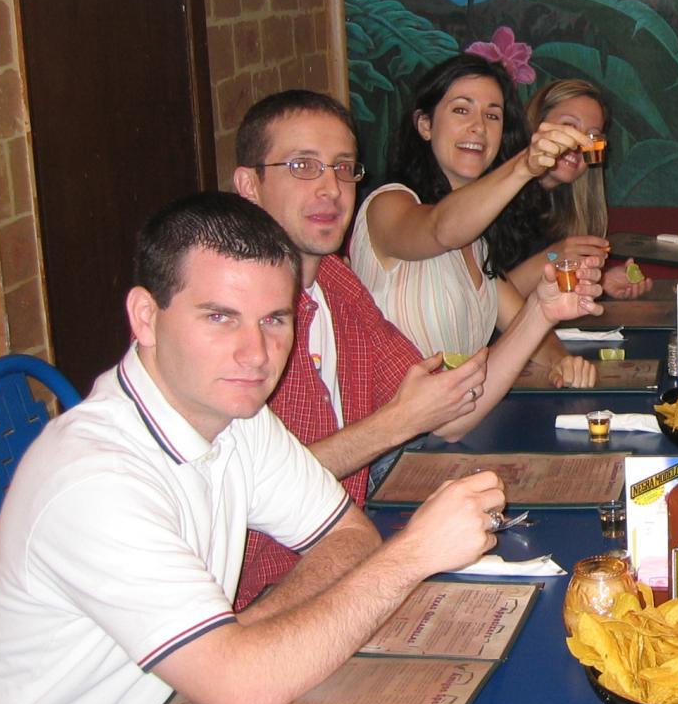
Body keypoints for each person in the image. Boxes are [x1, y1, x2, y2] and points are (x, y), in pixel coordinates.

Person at [0, 193, 575, 704]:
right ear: (145, 317)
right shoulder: (93, 479)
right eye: (219, 317)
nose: (256, 353)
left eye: (275, 320)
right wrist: (415, 553)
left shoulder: (232, 413)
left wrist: (250, 633)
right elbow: (246, 687)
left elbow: (345, 535)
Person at [231, 89, 600, 608]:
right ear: (250, 185)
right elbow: (247, 492)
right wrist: (398, 423)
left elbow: (448, 416)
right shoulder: (230, 320)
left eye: (342, 168)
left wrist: (540, 311)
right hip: (264, 601)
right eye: (301, 166)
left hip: (346, 565)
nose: (330, 189)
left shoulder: (337, 285)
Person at [350, 54, 597, 387]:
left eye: (492, 115)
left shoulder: (477, 240)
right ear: (425, 125)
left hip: (454, 426)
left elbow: (526, 323)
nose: (479, 127)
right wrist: (524, 166)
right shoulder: (388, 204)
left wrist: (563, 361)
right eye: (461, 110)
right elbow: (441, 229)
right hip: (398, 434)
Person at [490, 77, 651, 301]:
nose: (578, 143)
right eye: (569, 127)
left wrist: (601, 284)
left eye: (591, 136)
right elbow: (483, 306)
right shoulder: (495, 196)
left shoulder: (566, 206)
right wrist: (554, 257)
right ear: (536, 125)